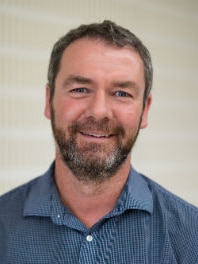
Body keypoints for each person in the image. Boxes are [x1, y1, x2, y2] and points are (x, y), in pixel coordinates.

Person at [0, 20, 198, 264]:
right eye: (80, 89)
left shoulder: (192, 236)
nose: (99, 111)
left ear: (145, 111)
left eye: (122, 93)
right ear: (48, 99)